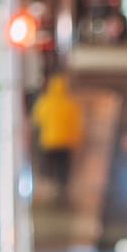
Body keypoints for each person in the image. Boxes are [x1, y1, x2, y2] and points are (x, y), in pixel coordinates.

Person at [32, 72, 85, 202]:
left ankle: (50, 186)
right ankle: (61, 188)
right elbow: (76, 125)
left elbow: (37, 120)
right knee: (63, 166)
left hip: (49, 141)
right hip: (66, 143)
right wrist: (77, 140)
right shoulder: (70, 104)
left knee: (50, 165)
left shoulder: (45, 102)